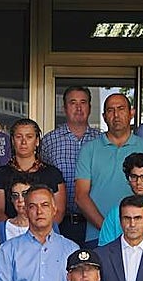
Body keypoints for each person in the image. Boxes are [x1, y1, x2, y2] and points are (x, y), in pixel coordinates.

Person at [75, 93, 143, 246]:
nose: (116, 115)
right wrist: (108, 229)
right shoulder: (89, 149)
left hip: (141, 237)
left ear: (131, 113)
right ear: (104, 116)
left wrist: (133, 228)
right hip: (98, 235)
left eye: (121, 109)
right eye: (110, 110)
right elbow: (81, 196)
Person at [41, 85, 102, 246]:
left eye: (83, 102)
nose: (78, 107)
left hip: (95, 223)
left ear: (89, 107)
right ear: (64, 108)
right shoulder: (49, 141)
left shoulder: (102, 141)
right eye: (73, 102)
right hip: (61, 222)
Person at [0, 119, 65, 223]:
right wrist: (16, 230)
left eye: (29, 137)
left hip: (46, 235)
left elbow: (58, 211)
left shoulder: (53, 174)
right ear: (13, 141)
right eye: (19, 137)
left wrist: (41, 231)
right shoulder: (0, 175)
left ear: (37, 141)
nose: (23, 142)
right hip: (11, 236)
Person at [0, 178, 33, 244]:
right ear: (11, 199)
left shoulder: (50, 225)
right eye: (15, 196)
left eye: (25, 194)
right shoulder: (1, 228)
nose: (20, 200)